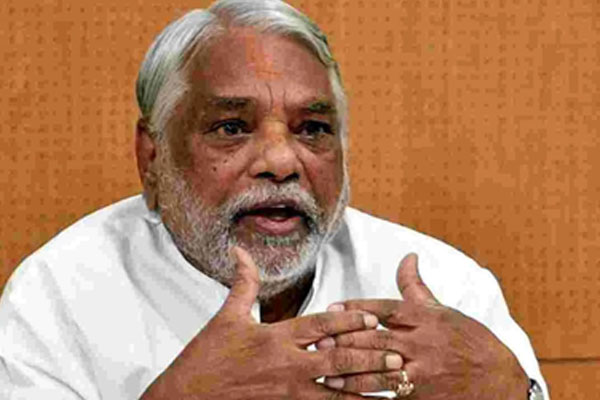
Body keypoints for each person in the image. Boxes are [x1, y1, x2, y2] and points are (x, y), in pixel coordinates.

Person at [0, 0, 548, 399]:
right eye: (232, 127)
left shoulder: (446, 289)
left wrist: (509, 392)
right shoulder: (57, 299)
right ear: (152, 156)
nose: (282, 162)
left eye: (312, 129)